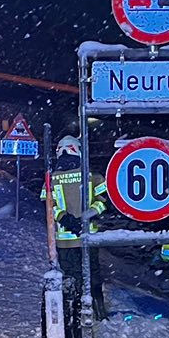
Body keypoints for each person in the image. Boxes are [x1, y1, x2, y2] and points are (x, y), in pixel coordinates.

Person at [41, 135, 108, 321]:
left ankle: (76, 316)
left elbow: (48, 206)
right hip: (89, 238)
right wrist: (86, 217)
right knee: (93, 277)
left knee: (72, 280)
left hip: (65, 242)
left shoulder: (51, 180)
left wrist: (66, 219)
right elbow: (104, 203)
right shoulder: (93, 176)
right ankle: (99, 314)